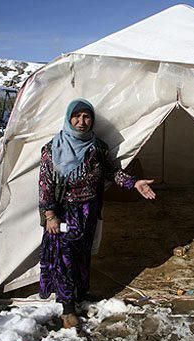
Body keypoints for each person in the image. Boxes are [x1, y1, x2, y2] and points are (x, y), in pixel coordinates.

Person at [38, 98, 156, 328]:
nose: (81, 122)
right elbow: (45, 185)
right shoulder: (53, 148)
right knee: (65, 258)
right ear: (69, 118)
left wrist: (134, 183)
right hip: (64, 214)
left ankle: (81, 294)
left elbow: (113, 172)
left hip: (88, 212)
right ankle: (67, 308)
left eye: (86, 117)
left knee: (82, 256)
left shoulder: (97, 147)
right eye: (77, 117)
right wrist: (50, 215)